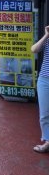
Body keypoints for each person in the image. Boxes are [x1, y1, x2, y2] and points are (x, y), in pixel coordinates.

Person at [31, 25, 49, 153]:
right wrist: (46, 35)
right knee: (44, 115)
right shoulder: (47, 39)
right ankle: (47, 141)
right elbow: (34, 49)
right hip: (44, 80)